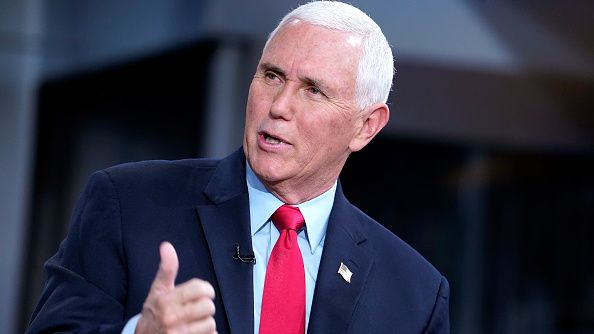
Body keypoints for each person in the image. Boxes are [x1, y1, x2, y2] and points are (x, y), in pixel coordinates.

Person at [27, 1, 450, 333]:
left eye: (313, 91)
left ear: (366, 126)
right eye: (271, 76)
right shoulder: (128, 204)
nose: (279, 106)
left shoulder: (414, 293)